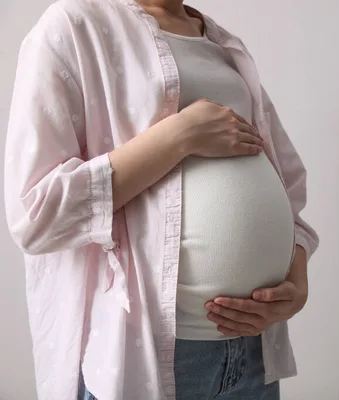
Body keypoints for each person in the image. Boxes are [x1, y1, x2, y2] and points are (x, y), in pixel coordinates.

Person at [3, 0, 319, 399]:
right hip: (150, 359)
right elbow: (36, 215)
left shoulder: (225, 45)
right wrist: (178, 136)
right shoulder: (74, 26)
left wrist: (297, 282)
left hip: (253, 356)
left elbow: (287, 187)